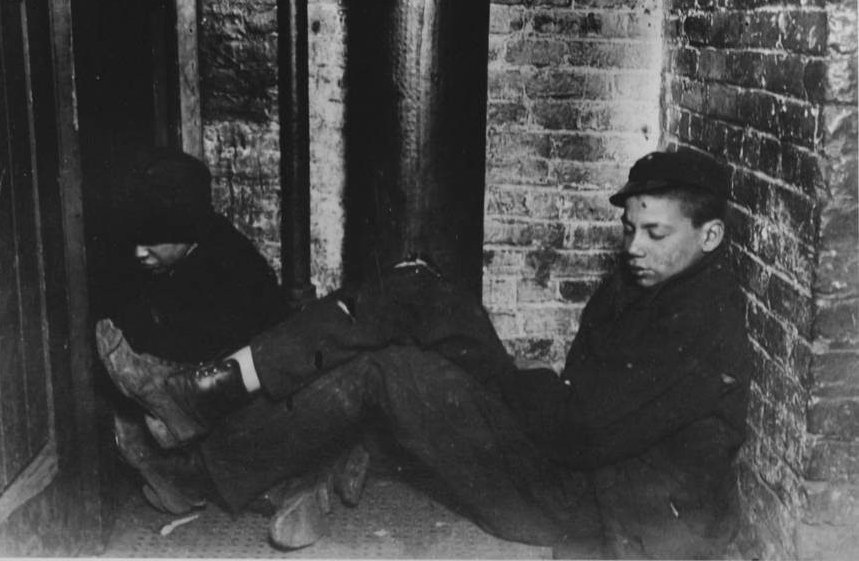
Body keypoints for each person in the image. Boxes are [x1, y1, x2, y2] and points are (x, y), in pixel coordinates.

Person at [116, 147, 751, 558]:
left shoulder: (701, 320)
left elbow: (581, 430)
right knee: (405, 313)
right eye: (629, 228)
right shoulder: (644, 285)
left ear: (711, 235)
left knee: (398, 344)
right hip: (565, 460)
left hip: (588, 504)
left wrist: (496, 376)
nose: (633, 245)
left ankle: (207, 407)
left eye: (655, 232)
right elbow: (580, 406)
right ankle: (208, 406)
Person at [95, 148, 368, 540]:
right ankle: (186, 475)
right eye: (136, 241)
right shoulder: (159, 265)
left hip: (264, 389)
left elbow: (232, 356)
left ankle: (320, 470)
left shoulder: (228, 266)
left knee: (238, 434)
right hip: (207, 384)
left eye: (153, 241)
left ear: (187, 230)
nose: (140, 253)